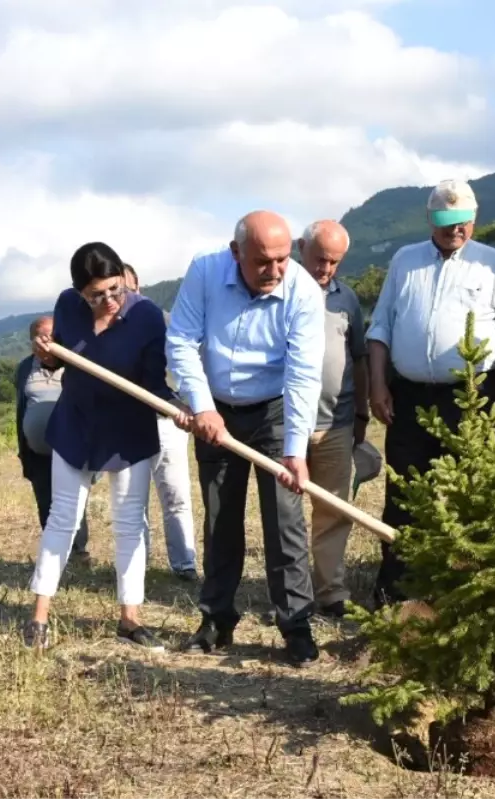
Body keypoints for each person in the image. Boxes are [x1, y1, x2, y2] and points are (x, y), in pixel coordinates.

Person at [166, 210, 326, 666]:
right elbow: (180, 340)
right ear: (236, 252)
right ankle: (216, 620)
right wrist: (202, 405)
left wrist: (295, 450)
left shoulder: (303, 292)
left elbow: (303, 375)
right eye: (262, 262)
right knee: (221, 519)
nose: (274, 271)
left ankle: (295, 625)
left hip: (274, 412)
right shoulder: (204, 271)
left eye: (281, 259)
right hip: (215, 411)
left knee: (284, 522)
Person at [366, 179, 495, 605]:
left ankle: (471, 591)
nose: (453, 231)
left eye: (462, 223)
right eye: (445, 222)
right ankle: (397, 589)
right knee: (404, 492)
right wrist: (378, 384)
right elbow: (381, 327)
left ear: (473, 221)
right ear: (429, 220)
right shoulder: (405, 261)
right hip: (410, 397)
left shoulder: (494, 264)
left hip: (471, 398)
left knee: (472, 495)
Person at [22, 242, 190, 652]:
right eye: (97, 295)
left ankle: (130, 618)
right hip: (76, 425)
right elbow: (57, 360)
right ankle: (39, 617)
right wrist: (44, 355)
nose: (110, 301)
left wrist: (176, 408)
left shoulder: (146, 316)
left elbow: (153, 383)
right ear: (79, 292)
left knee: (130, 521)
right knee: (63, 517)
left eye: (116, 290)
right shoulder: (67, 306)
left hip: (129, 429)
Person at [298, 219, 369, 617]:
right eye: (320, 259)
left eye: (334, 262)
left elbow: (358, 357)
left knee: (333, 511)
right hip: (285, 424)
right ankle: (292, 594)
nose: (326, 269)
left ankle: (331, 592)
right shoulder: (280, 292)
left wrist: (361, 412)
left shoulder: (348, 300)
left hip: (335, 424)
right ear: (300, 248)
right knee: (285, 514)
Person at [118, 263, 199, 581]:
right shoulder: (103, 331)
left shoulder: (162, 321)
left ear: (139, 289)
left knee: (176, 494)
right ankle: (136, 567)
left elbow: (184, 363)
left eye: (127, 289)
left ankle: (185, 564)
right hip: (126, 422)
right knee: (130, 499)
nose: (121, 296)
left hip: (166, 421)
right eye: (115, 290)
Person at [15, 315, 90, 562]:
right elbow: (22, 407)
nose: (48, 339)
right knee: (45, 501)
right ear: (32, 341)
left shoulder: (76, 364)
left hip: (70, 447)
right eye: (42, 335)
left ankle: (78, 553)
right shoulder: (25, 368)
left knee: (73, 501)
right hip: (37, 452)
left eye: (53, 334)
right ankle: (53, 554)